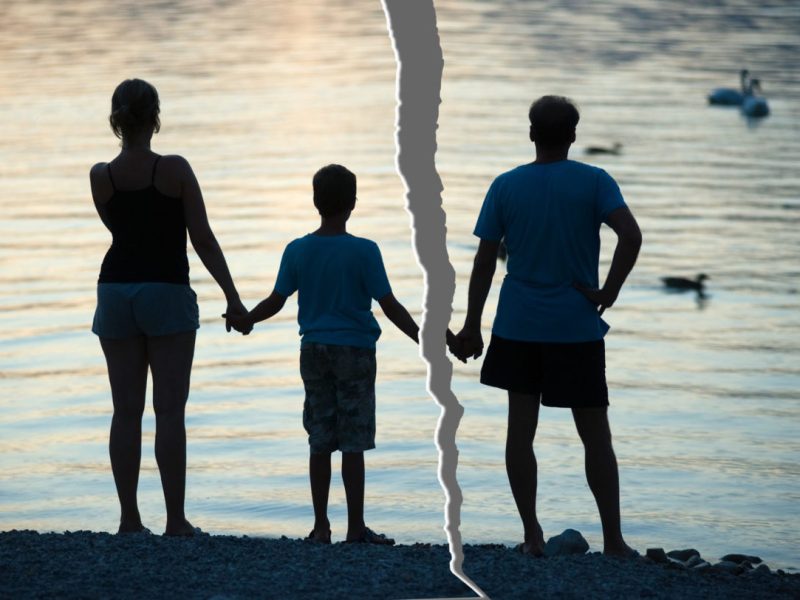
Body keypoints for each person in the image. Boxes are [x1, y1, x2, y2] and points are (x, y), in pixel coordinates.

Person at [450, 96, 642, 557]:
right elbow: (631, 235)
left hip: (518, 325)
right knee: (595, 435)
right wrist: (609, 291)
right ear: (573, 135)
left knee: (520, 433)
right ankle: (613, 540)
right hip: (575, 326)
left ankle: (532, 536)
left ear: (531, 133)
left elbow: (483, 262)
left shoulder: (506, 186)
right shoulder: (594, 181)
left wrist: (473, 324)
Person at [226, 164, 419, 544]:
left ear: (316, 202)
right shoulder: (365, 251)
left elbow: (276, 301)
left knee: (320, 439)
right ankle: (356, 527)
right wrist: (425, 339)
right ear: (353, 204)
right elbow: (390, 305)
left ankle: (320, 526)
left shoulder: (298, 250)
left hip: (313, 351)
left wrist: (248, 319)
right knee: (353, 441)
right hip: (356, 353)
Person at [90, 78, 249, 536]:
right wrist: (233, 298)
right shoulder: (174, 169)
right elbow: (201, 238)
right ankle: (175, 520)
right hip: (166, 291)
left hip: (115, 290)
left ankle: (129, 520)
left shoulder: (101, 176)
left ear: (116, 121)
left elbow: (119, 229)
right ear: (155, 118)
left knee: (125, 411)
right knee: (170, 411)